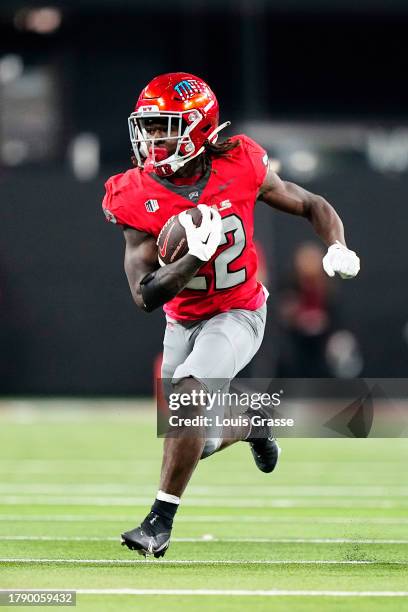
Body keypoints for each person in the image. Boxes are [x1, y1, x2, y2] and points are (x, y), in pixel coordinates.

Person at [102, 72, 360, 558]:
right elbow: (144, 295)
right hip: (181, 319)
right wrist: (192, 258)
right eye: (150, 128)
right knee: (193, 438)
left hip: (239, 311)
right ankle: (253, 421)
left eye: (165, 127)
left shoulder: (240, 162)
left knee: (190, 396)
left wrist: (337, 246)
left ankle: (158, 523)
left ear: (198, 128)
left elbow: (311, 203)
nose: (153, 139)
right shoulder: (132, 192)